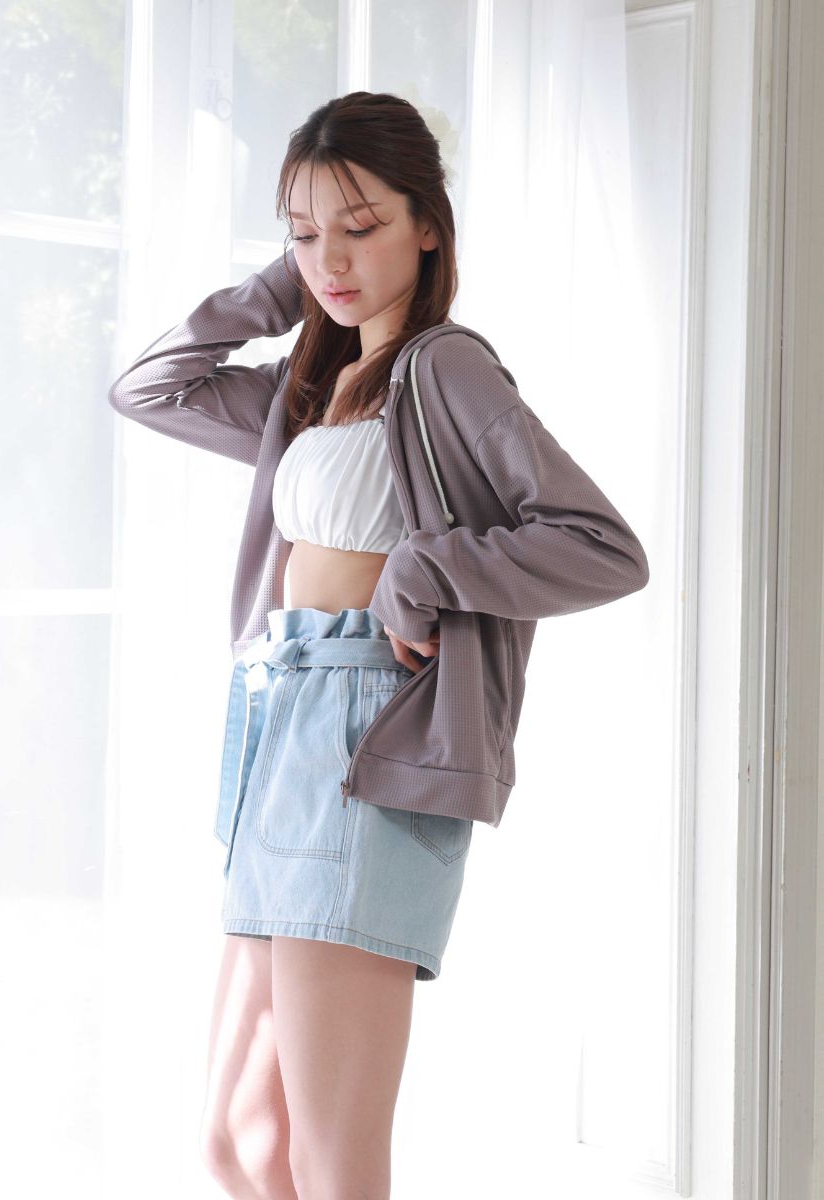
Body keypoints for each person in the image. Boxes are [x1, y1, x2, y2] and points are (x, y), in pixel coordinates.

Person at [107, 91, 650, 1200]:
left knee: (331, 1158)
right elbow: (147, 387)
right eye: (307, 235)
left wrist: (426, 570)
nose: (333, 260)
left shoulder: (444, 370)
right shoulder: (308, 388)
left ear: (429, 226)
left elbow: (603, 546)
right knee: (239, 1144)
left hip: (368, 738)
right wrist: (285, 282)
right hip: (276, 731)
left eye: (362, 226)